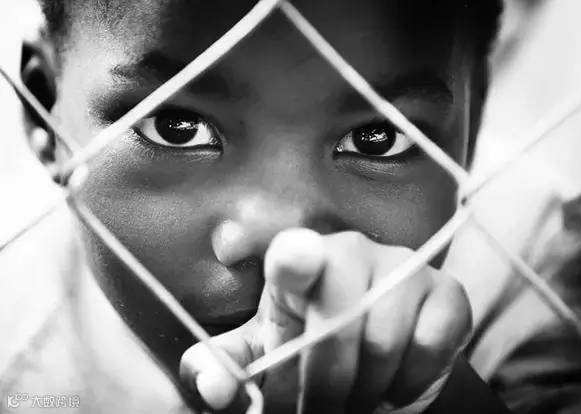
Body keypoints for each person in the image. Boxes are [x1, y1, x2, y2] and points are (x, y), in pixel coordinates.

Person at [17, 0, 507, 412]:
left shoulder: (526, 300)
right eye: (176, 127)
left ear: (475, 123)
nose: (283, 242)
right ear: (45, 107)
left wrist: (431, 397)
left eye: (376, 138)